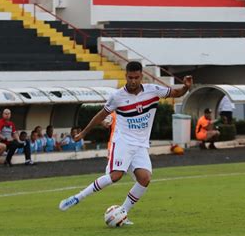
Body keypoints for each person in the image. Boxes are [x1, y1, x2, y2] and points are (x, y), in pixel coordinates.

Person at [59, 61, 193, 225]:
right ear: (126, 76)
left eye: (137, 77)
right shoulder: (117, 96)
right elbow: (100, 115)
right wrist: (84, 133)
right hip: (123, 141)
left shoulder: (153, 90)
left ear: (141, 76)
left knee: (144, 178)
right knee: (116, 176)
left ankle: (122, 212)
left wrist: (186, 87)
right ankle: (77, 197)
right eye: (130, 77)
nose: (133, 81)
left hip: (141, 145)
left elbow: (177, 92)